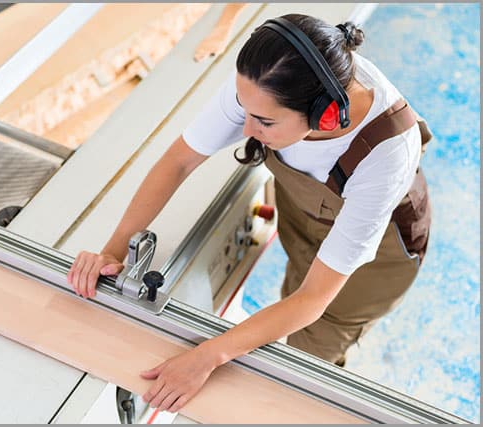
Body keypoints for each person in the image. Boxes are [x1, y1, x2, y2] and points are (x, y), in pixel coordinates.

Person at [67, 13, 431, 413]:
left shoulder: (387, 154)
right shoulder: (268, 77)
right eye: (244, 109)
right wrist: (113, 251)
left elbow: (314, 299)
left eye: (264, 122)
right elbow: (179, 162)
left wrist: (208, 356)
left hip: (378, 260)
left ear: (325, 116)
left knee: (309, 353)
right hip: (307, 216)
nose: (245, 128)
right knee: (291, 289)